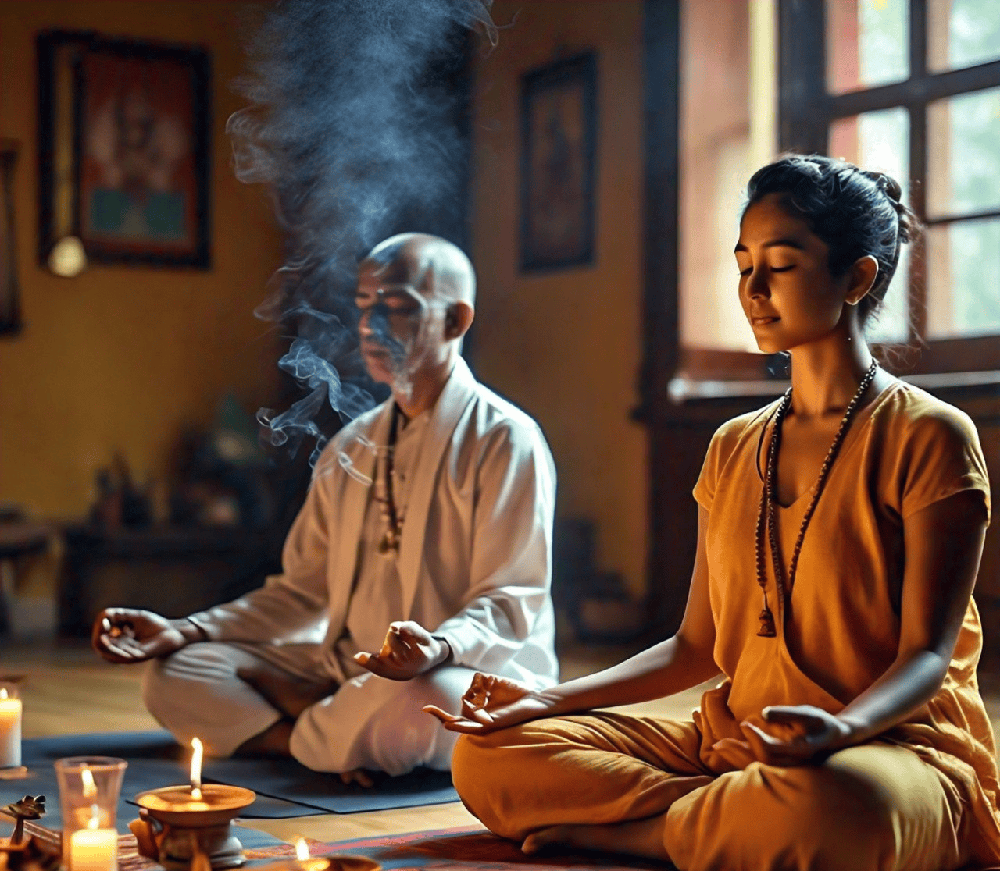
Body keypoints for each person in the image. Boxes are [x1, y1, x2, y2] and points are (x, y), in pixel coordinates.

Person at [426, 155, 1000, 870]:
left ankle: (642, 832)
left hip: (886, 753)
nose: (752, 290)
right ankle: (729, 819)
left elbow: (926, 654)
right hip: (735, 746)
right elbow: (694, 646)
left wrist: (838, 729)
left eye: (781, 266)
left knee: (837, 807)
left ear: (856, 278)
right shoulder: (735, 445)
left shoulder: (929, 434)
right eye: (743, 265)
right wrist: (545, 700)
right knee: (488, 756)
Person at [93, 232, 558, 782]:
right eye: (364, 307)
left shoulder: (505, 438)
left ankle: (302, 727)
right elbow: (301, 592)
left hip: (461, 671)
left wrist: (439, 647)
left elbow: (510, 602)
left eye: (397, 308)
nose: (370, 327)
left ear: (456, 321)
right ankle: (327, 740)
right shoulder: (351, 446)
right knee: (175, 673)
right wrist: (190, 630)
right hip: (343, 670)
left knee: (429, 699)